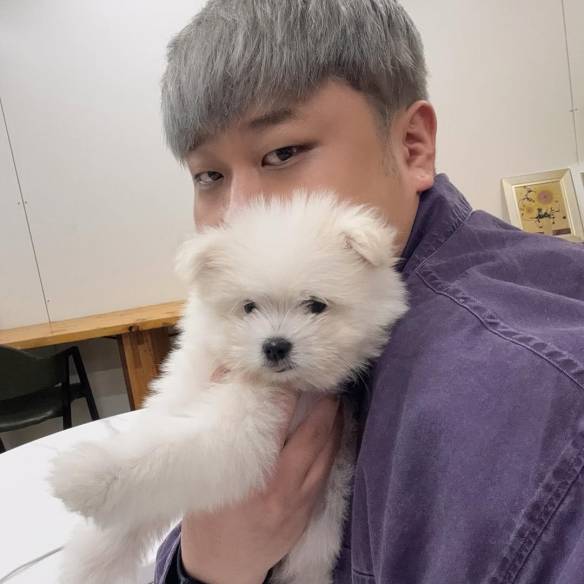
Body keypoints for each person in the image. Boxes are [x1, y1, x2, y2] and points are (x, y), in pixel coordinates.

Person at [154, 1, 584, 582]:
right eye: (209, 175)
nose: (239, 214)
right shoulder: (251, 323)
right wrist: (207, 561)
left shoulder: (523, 395)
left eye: (282, 153)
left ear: (412, 146)